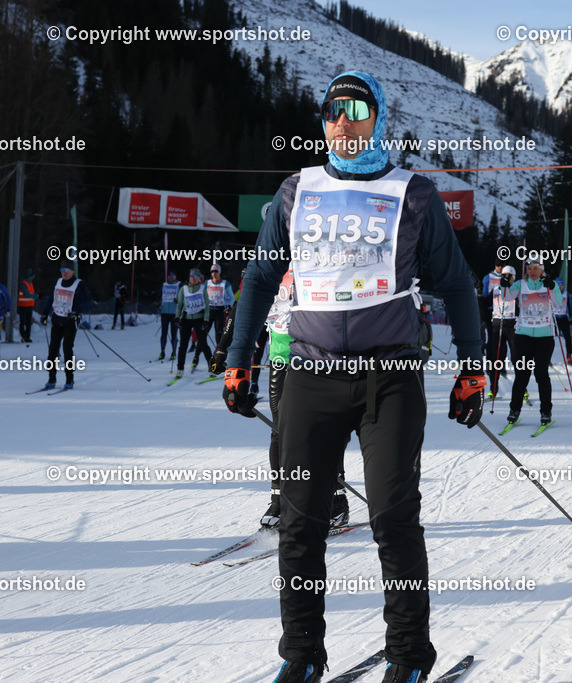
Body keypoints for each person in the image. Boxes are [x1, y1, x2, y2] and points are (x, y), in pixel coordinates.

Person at [221, 71, 484, 683]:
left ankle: (409, 656)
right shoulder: (296, 191)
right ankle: (302, 653)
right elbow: (260, 280)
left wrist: (472, 370)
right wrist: (240, 358)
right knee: (300, 519)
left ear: (379, 116)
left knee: (393, 516)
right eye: (333, 109)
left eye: (357, 107)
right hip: (310, 375)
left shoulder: (413, 194)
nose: (343, 120)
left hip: (389, 377)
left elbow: (458, 286)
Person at [212, 269, 350, 530]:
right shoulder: (268, 264)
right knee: (279, 431)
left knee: (323, 429)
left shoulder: (314, 259)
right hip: (280, 358)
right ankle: (280, 499)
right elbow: (243, 309)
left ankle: (336, 500)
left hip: (318, 358)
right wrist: (222, 349)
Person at [502, 255, 562, 427]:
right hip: (523, 336)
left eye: (536, 268)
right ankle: (514, 410)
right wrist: (504, 286)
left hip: (544, 337)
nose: (533, 271)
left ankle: (545, 411)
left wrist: (553, 287)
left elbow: (557, 302)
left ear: (542, 269)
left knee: (541, 374)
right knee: (522, 374)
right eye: (529, 268)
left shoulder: (548, 284)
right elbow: (507, 297)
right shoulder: (520, 284)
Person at [40, 263, 91, 390]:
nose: (64, 272)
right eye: (62, 270)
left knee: (67, 349)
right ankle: (51, 379)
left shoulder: (79, 284)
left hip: (70, 322)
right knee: (53, 350)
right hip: (57, 319)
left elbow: (87, 303)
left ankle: (69, 379)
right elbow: (51, 300)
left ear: (72, 271)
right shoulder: (58, 283)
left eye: (66, 270)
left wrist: (77, 311)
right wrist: (45, 314)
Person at [174, 268, 212, 380]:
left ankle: (213, 368)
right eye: (192, 276)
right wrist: (177, 318)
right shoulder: (184, 289)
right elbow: (179, 304)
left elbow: (207, 306)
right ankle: (180, 369)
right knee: (183, 346)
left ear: (199, 278)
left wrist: (206, 320)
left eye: (196, 277)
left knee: (203, 344)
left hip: (199, 319)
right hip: (186, 319)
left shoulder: (202, 289)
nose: (193, 279)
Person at [487, 265, 517, 398]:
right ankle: (493, 389)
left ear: (513, 278)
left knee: (517, 358)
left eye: (509, 276)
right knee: (496, 359)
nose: (506, 278)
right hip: (497, 326)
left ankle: (522, 389)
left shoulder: (517, 290)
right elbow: (484, 304)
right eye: (504, 275)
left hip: (513, 327)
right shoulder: (495, 290)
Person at [205, 264, 234, 347]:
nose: (214, 273)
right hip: (209, 310)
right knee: (203, 333)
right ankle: (196, 356)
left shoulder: (225, 284)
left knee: (219, 334)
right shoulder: (207, 283)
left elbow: (231, 297)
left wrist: (229, 305)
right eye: (212, 271)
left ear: (219, 272)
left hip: (220, 311)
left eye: (216, 271)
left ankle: (219, 353)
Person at [158, 272, 180, 360]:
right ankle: (162, 351)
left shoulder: (179, 285)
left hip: (174, 313)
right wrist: (157, 302)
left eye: (172, 276)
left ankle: (174, 351)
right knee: (164, 333)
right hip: (165, 313)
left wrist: (178, 300)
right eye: (169, 276)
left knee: (173, 333)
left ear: (175, 277)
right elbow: (159, 295)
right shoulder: (164, 285)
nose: (171, 277)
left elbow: (182, 297)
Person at [553, 277, 572, 364]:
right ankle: (547, 357)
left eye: (561, 285)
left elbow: (570, 306)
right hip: (554, 318)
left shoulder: (566, 294)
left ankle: (569, 355)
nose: (560, 286)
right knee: (550, 339)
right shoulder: (552, 294)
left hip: (564, 317)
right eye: (558, 285)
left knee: (568, 338)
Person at [17, 268, 36, 343]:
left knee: (28, 322)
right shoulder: (24, 283)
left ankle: (27, 336)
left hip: (29, 305)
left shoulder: (29, 283)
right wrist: (35, 296)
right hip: (23, 305)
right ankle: (24, 336)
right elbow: (26, 294)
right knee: (23, 322)